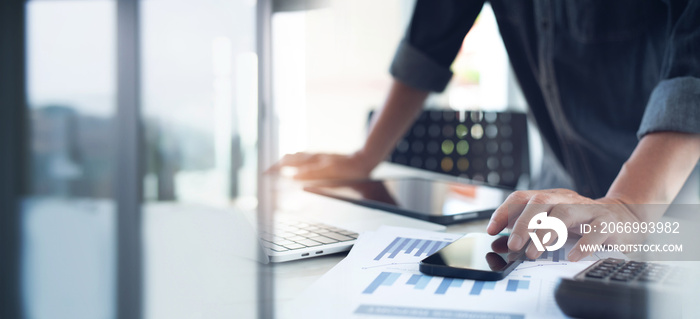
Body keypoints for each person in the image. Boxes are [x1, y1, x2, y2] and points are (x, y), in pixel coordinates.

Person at [273, 1, 700, 261]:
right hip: (565, 187)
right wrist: (365, 156)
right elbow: (429, 40)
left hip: (678, 198)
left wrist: (628, 204)